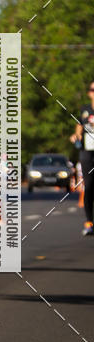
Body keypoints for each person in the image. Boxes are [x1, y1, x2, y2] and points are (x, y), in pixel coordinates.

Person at [70, 81, 94, 236]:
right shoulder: (85, 110)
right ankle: (89, 222)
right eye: (93, 89)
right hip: (87, 152)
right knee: (89, 186)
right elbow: (79, 127)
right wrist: (76, 136)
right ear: (89, 93)